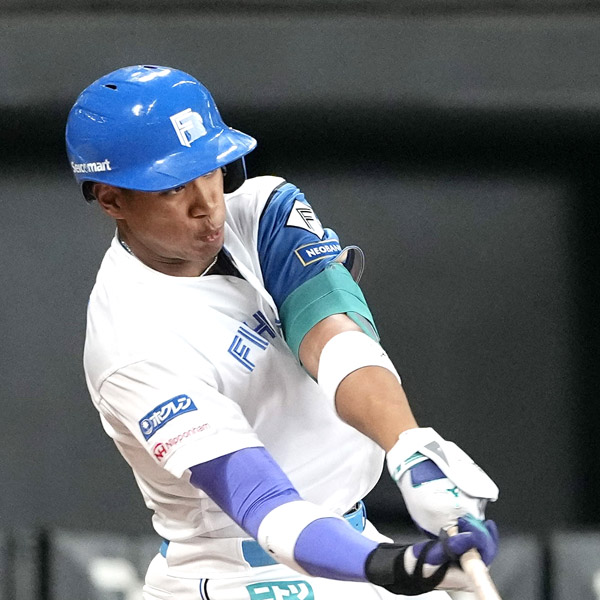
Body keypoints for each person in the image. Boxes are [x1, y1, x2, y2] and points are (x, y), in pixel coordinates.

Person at [65, 65, 499, 600]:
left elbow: (335, 340)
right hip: (240, 571)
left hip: (352, 534)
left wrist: (409, 449)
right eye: (175, 186)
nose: (207, 204)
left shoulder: (262, 209)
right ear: (112, 200)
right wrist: (396, 566)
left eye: (211, 170)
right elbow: (266, 507)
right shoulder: (130, 343)